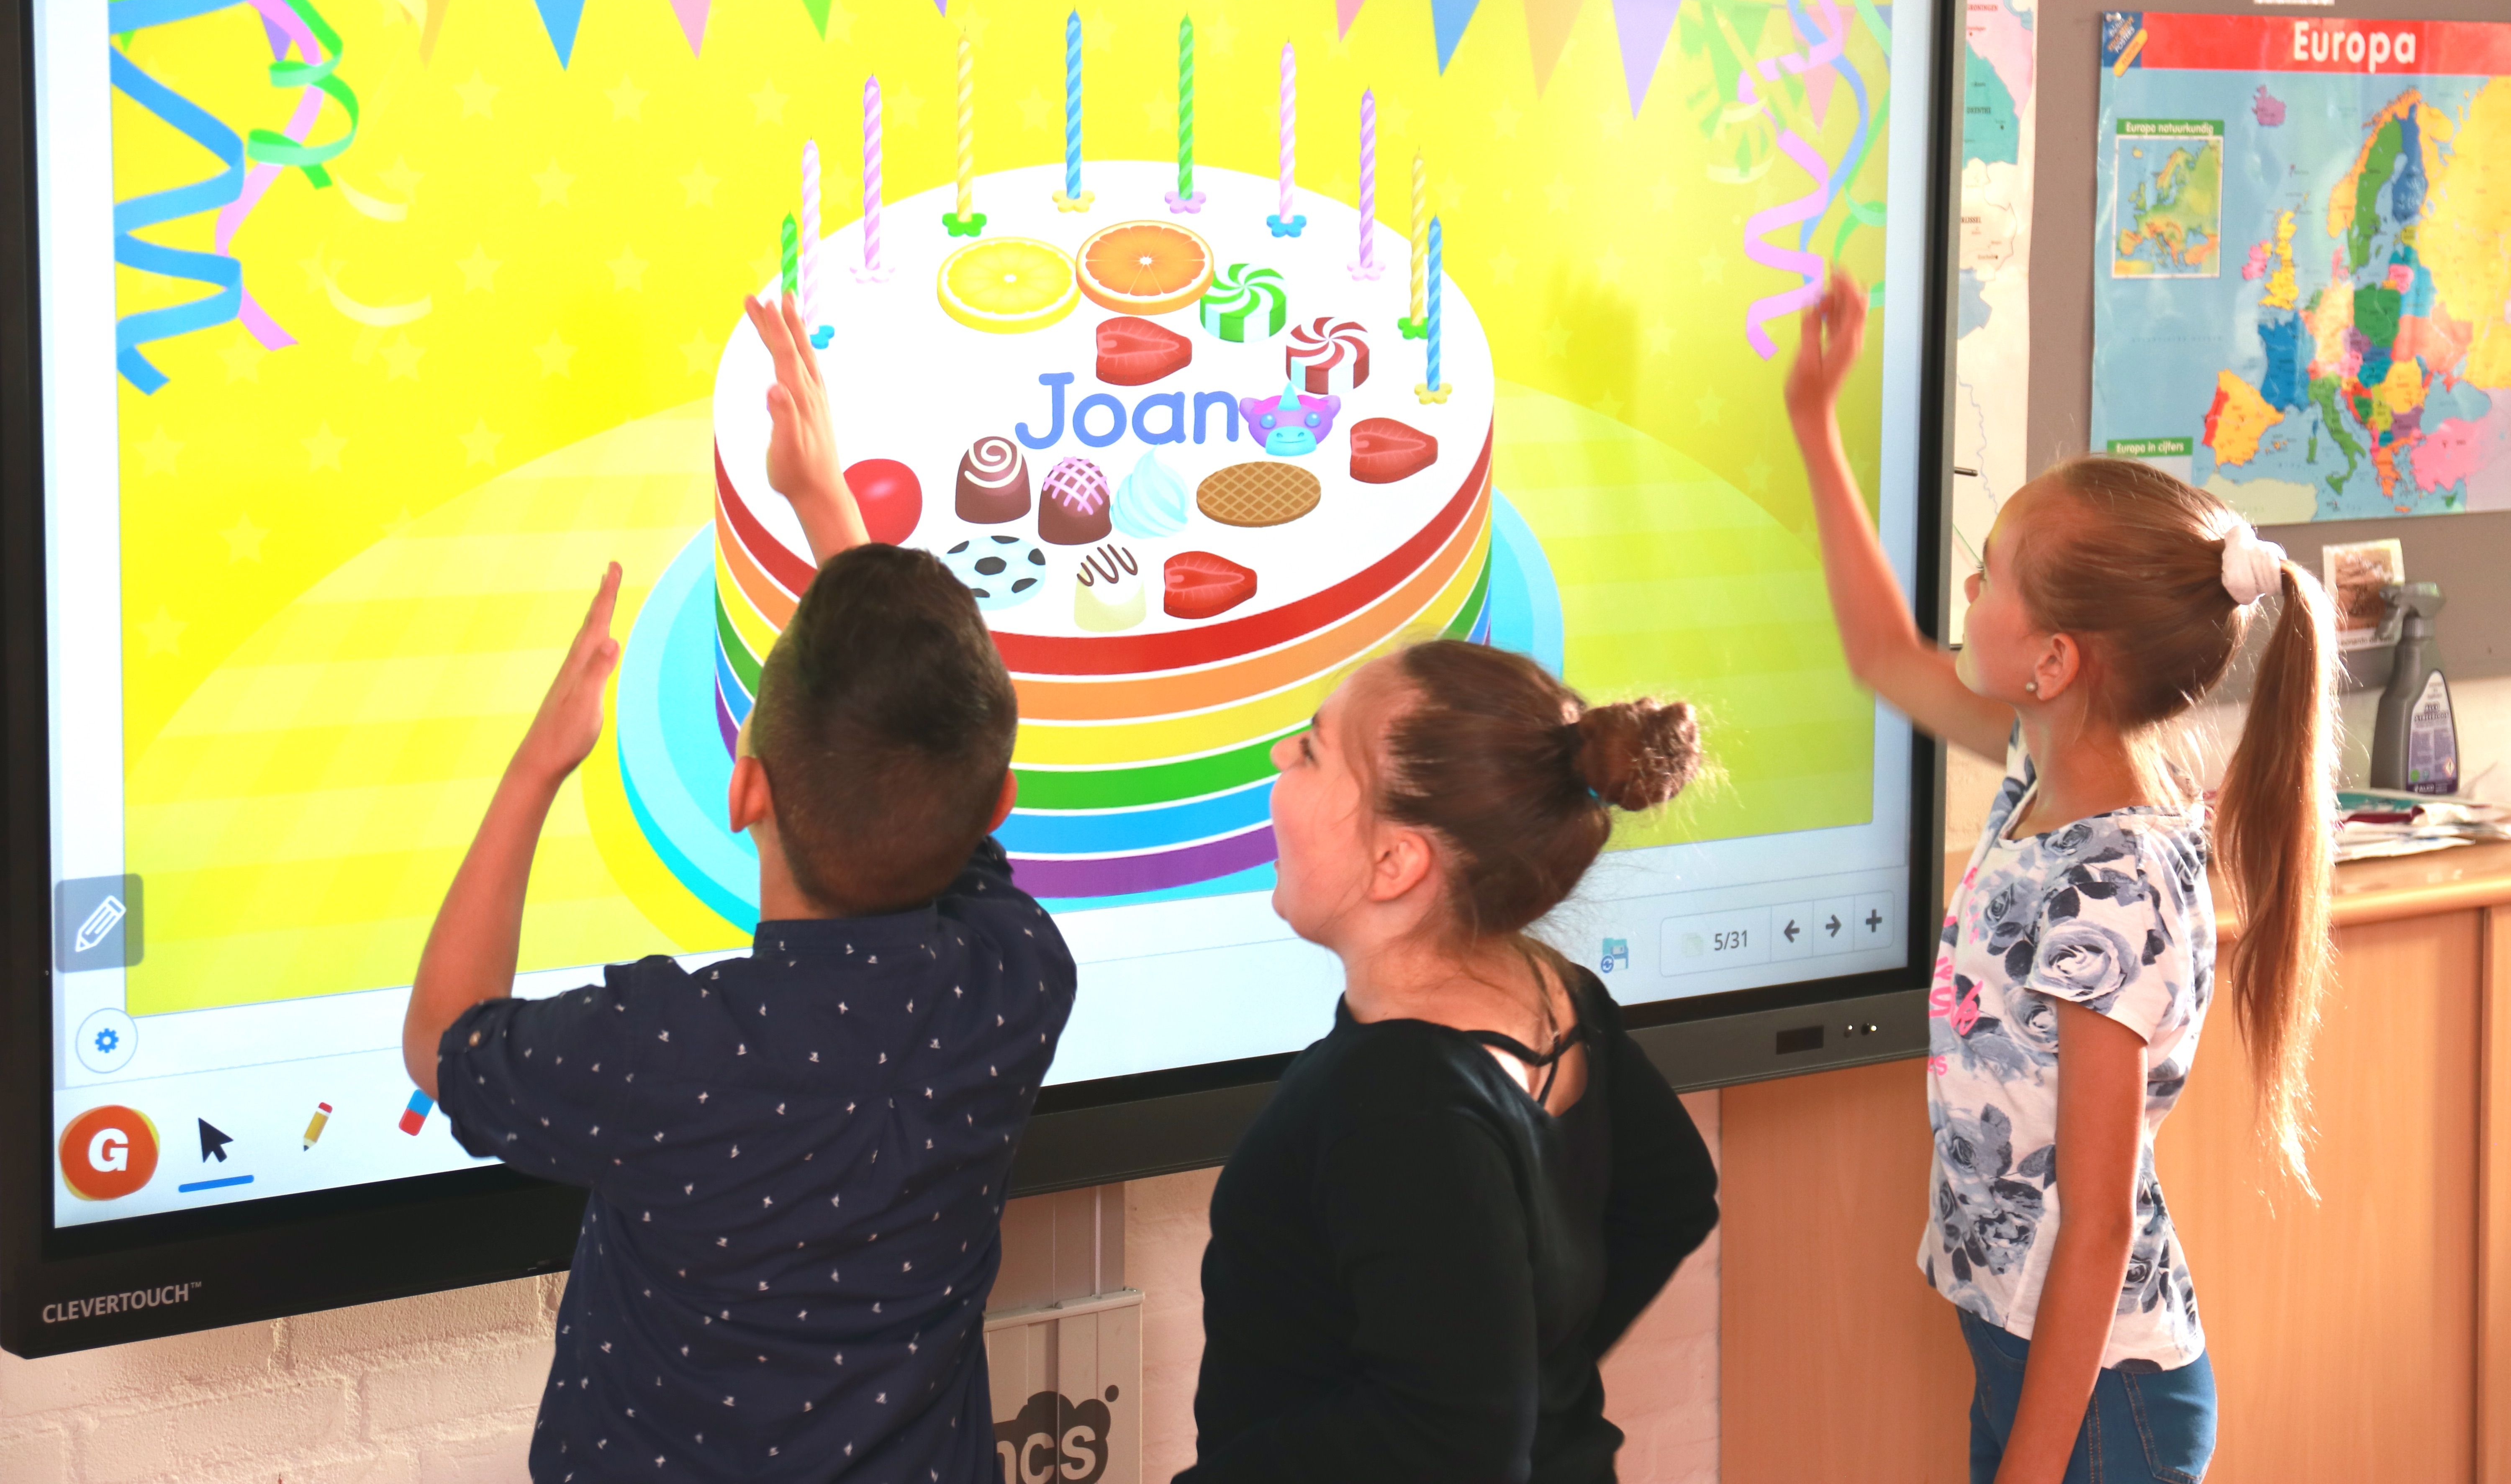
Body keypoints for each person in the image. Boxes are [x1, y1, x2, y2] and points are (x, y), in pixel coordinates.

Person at [400, 293, 1074, 1481]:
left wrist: (533, 769)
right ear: (998, 810)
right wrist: (828, 507)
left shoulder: (665, 1051)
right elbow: (931, 745)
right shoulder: (1015, 979)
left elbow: (447, 1043)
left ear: (744, 791)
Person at [1784, 267, 2335, 1484]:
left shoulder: (2112, 883)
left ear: (2053, 659)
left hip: (2101, 1400)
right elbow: (1881, 650)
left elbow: (2096, 1222)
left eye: (1990, 578)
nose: (1966, 594)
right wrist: (1817, 427)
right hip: (2031, 1356)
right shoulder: (2047, 771)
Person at [1178, 639, 1723, 1483]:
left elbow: (1451, 1442)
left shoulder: (1394, 1100)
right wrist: (1528, 1374)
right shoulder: (1556, 991)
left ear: (1396, 861)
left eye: (1315, 748)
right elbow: (1673, 1194)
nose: (1284, 753)